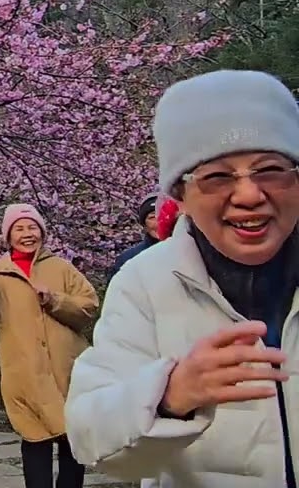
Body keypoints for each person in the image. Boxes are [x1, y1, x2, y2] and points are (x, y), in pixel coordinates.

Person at [65, 69, 299, 486]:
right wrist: (169, 397)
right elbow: (91, 440)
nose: (249, 196)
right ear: (180, 196)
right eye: (216, 177)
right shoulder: (145, 282)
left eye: (270, 170)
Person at [0, 203, 100, 488]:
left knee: (73, 442)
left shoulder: (61, 268)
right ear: (8, 236)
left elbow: (89, 308)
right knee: (35, 438)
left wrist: (55, 300)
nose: (27, 234)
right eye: (19, 229)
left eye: (32, 227)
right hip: (24, 372)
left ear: (42, 232)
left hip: (68, 369)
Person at [106, 193, 162, 285]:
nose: (159, 223)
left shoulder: (186, 251)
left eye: (162, 215)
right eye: (152, 217)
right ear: (144, 225)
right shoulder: (129, 259)